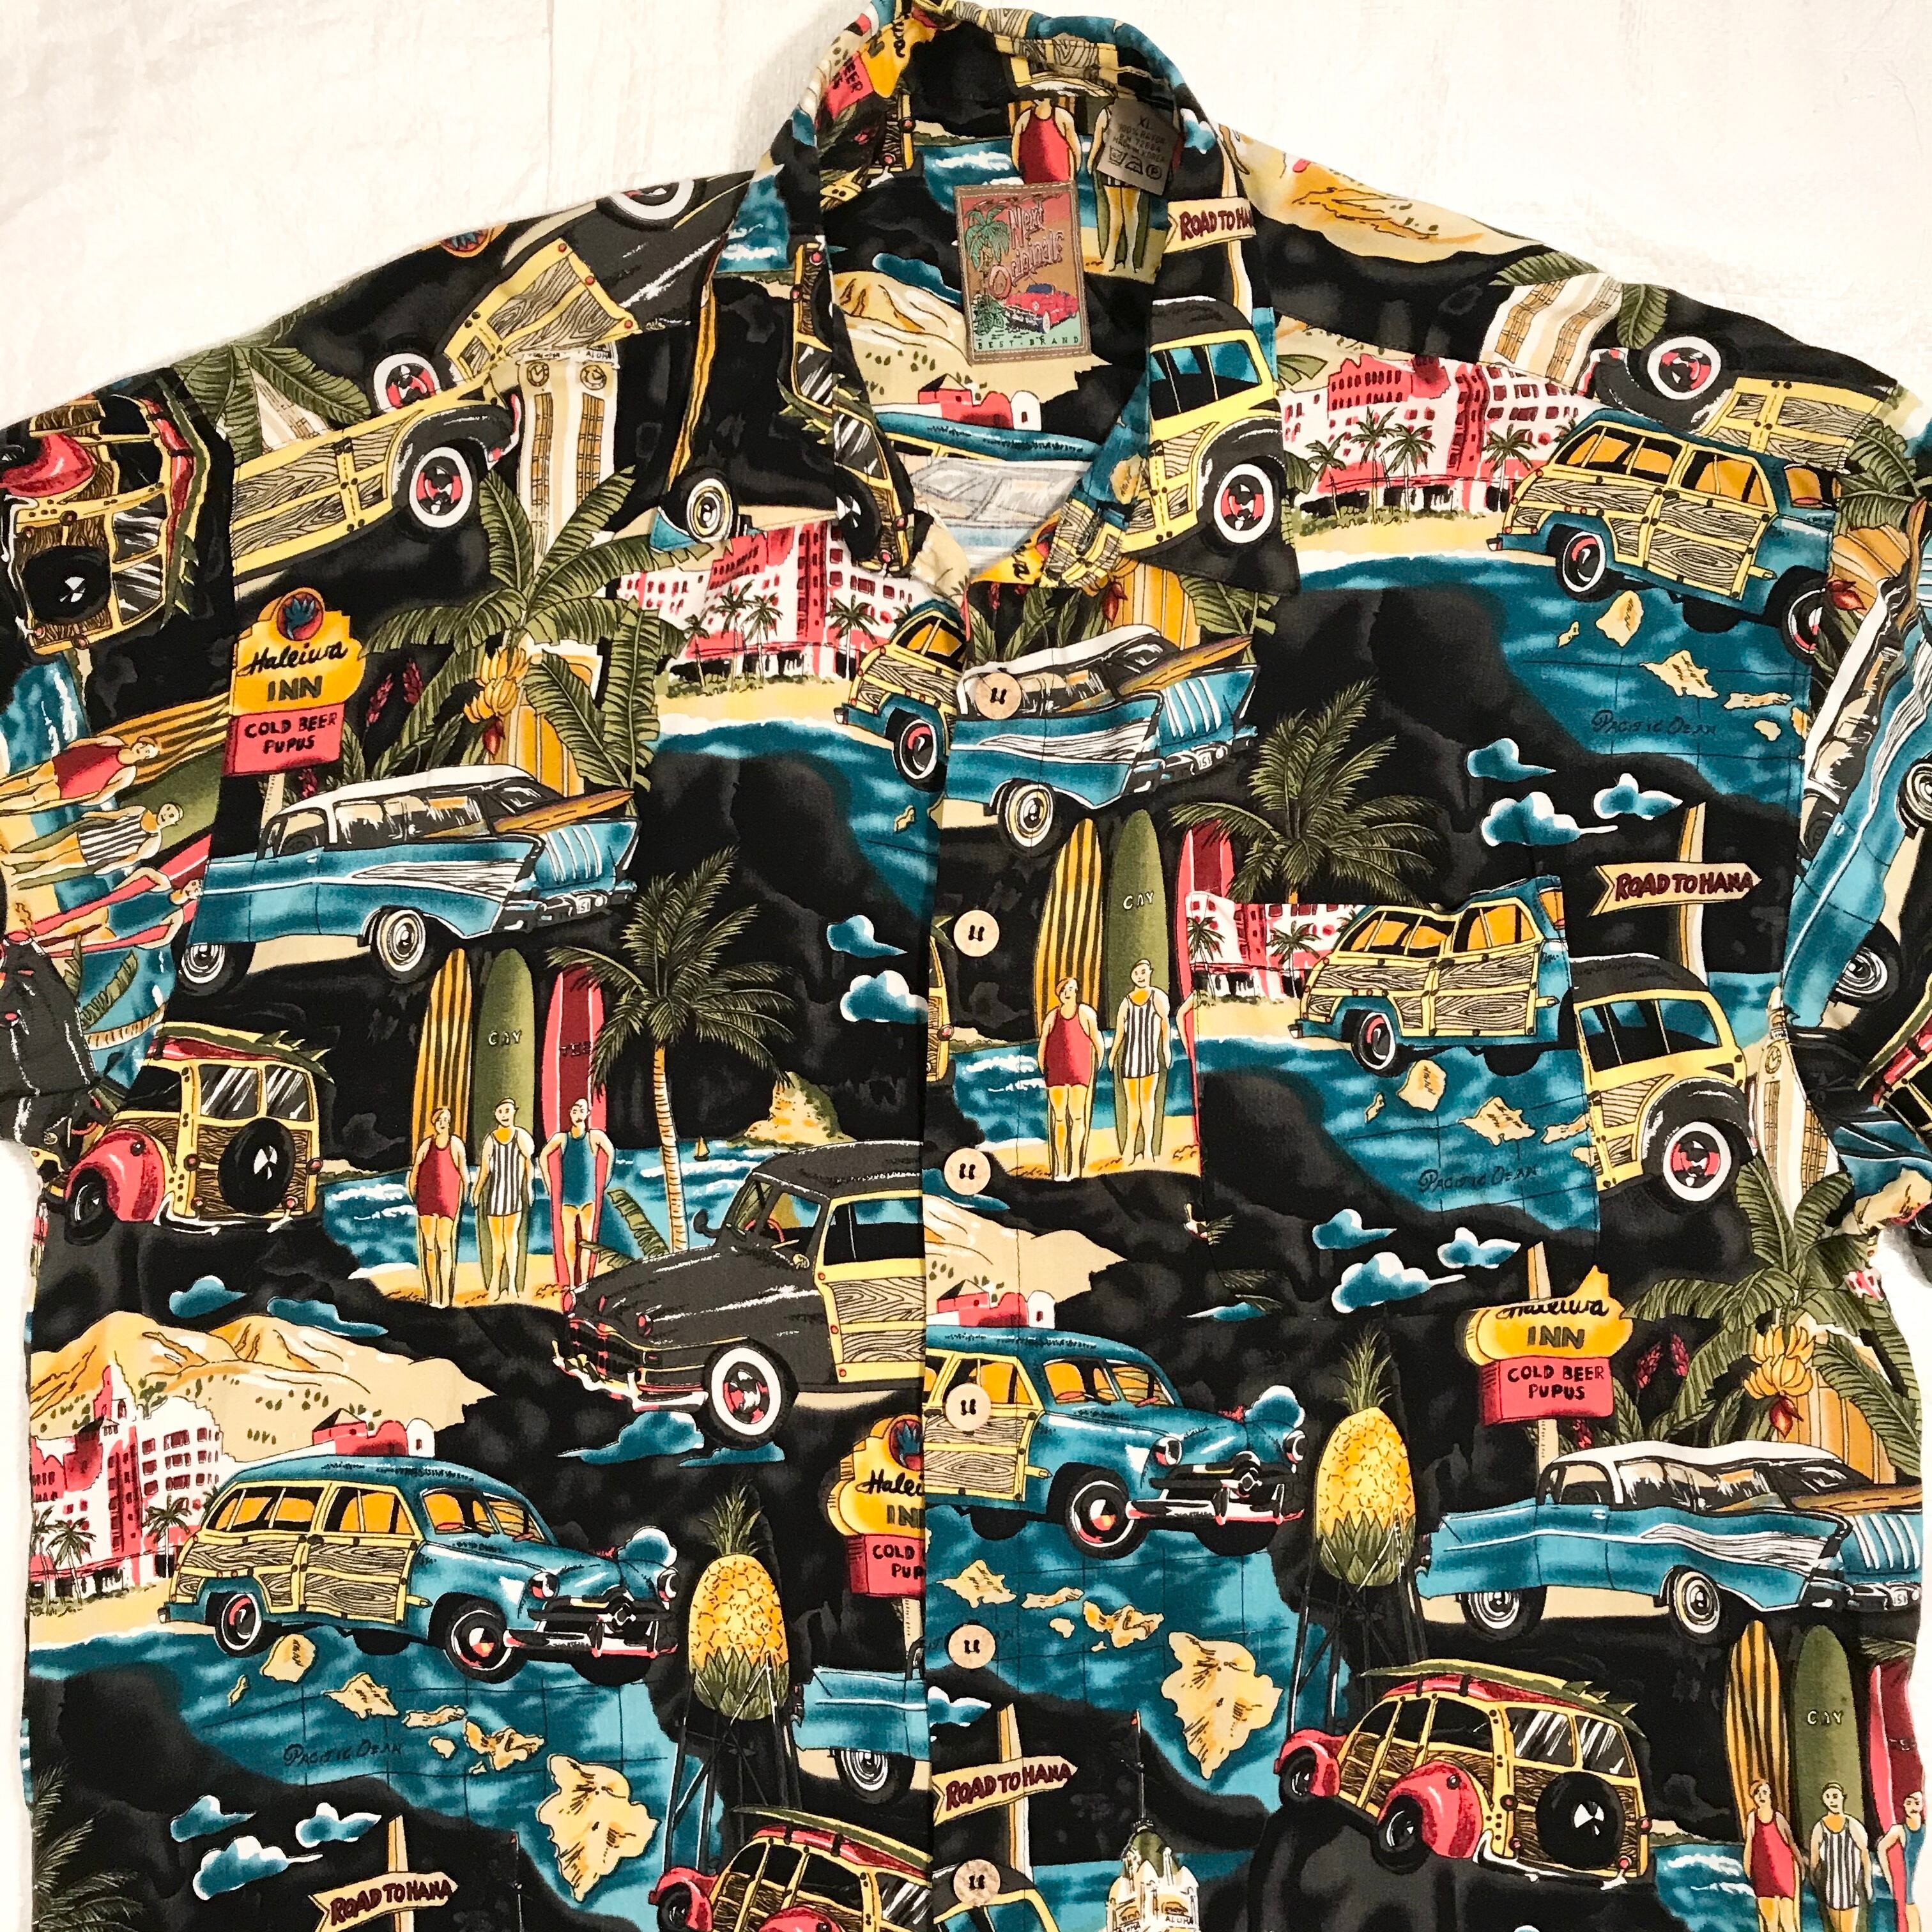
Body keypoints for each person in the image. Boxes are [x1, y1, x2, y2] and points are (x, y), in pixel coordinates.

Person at [5, 799, 182, 891]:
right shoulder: (141, 811)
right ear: (164, 806)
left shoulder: (154, 842)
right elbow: (116, 815)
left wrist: (110, 867)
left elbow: (131, 858)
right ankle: (12, 860)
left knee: (58, 864)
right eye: (168, 809)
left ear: (173, 823)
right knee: (49, 851)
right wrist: (95, 815)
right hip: (92, 835)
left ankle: (22, 877)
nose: (166, 815)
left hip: (97, 852)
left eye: (171, 816)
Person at [540, 1094, 614, 1290]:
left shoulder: (594, 1137)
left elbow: (610, 1151)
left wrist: (606, 1178)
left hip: (588, 1199)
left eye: (582, 1110)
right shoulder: (562, 1138)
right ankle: (573, 1283)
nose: (578, 1113)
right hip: (568, 1199)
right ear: (570, 1114)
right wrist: (548, 1184)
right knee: (570, 1243)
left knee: (587, 1243)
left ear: (588, 1113)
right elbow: (543, 1156)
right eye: (575, 1110)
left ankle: (586, 1283)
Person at [1038, 974, 1102, 1181]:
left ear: (1077, 992)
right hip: (1056, 1072)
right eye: (1065, 989)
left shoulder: (1085, 1013)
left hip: (1079, 1071)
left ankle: (1075, 1168)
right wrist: (1043, 1067)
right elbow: (1043, 1043)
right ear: (1059, 993)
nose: (1068, 993)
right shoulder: (1052, 1016)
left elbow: (1097, 1039)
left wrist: (1098, 1063)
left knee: (1077, 1117)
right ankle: (1060, 1168)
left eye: (1072, 989)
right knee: (1059, 1119)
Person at [0, 733, 160, 815]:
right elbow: (89, 742)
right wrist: (70, 749)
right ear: (140, 740)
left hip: (76, 785)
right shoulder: (116, 742)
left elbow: (109, 791)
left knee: (37, 797)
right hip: (70, 763)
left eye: (147, 753)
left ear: (145, 758)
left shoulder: (129, 772)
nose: (142, 750)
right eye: (144, 745)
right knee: (30, 780)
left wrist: (91, 802)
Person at [472, 1097, 535, 1299]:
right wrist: (476, 1191)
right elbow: (485, 1170)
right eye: (501, 1111)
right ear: (496, 1115)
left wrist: (529, 1188)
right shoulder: (491, 1140)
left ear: (514, 1112)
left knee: (511, 1240)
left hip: (513, 1198)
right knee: (497, 1244)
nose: (505, 1115)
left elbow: (528, 1164)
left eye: (508, 1110)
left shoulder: (521, 1137)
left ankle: (513, 1284)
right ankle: (495, 1283)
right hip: (495, 1198)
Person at [1110, 957, 1170, 1167]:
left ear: (1150, 972)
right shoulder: (1126, 1002)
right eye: (1137, 973)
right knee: (1133, 1107)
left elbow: (1165, 1025)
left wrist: (1166, 1048)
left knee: (1148, 1104)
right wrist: (1112, 1054)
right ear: (1132, 976)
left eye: (1144, 972)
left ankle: (1147, 1149)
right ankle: (1130, 1148)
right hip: (1130, 1061)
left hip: (1149, 1060)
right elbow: (1120, 1032)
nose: (1140, 976)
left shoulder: (1157, 997)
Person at [408, 1105, 468, 1308]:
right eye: (440, 1119)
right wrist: (413, 1191)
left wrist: (464, 1197)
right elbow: (416, 1169)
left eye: (446, 1120)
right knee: (429, 1247)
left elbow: (463, 1173)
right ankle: (432, 1295)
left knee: (445, 1245)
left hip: (448, 1200)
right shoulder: (427, 1144)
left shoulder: (456, 1144)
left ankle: (445, 1297)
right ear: (434, 1122)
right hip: (427, 1199)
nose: (443, 1123)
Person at [1811, 1782, 1875, 1932]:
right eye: (1828, 1797)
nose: (1832, 1800)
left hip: (1850, 1890)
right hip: (1831, 1891)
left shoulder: (1853, 1825)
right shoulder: (1819, 1828)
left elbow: (1865, 1855)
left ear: (1842, 1798)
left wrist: (1867, 1883)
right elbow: (1814, 1860)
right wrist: (1815, 1881)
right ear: (1824, 1801)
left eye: (1835, 1796)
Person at [1744, 1778, 1804, 1932]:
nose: (1761, 1796)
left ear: (1770, 1794)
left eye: (1764, 1792)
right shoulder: (1752, 1819)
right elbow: (1749, 1845)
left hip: (1784, 1873)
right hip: (1763, 1874)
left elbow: (1791, 1843)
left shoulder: (1779, 1818)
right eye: (1757, 1793)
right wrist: (1747, 1867)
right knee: (1770, 1921)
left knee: (1787, 1921)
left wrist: (1801, 1865)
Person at [1877, 1789, 1924, 1932]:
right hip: (1912, 1890)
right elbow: (1881, 1848)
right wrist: (1889, 1878)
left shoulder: (1926, 1829)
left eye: (1917, 1802)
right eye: (1909, 1803)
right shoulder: (1899, 1830)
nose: (1913, 1806)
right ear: (1903, 1805)